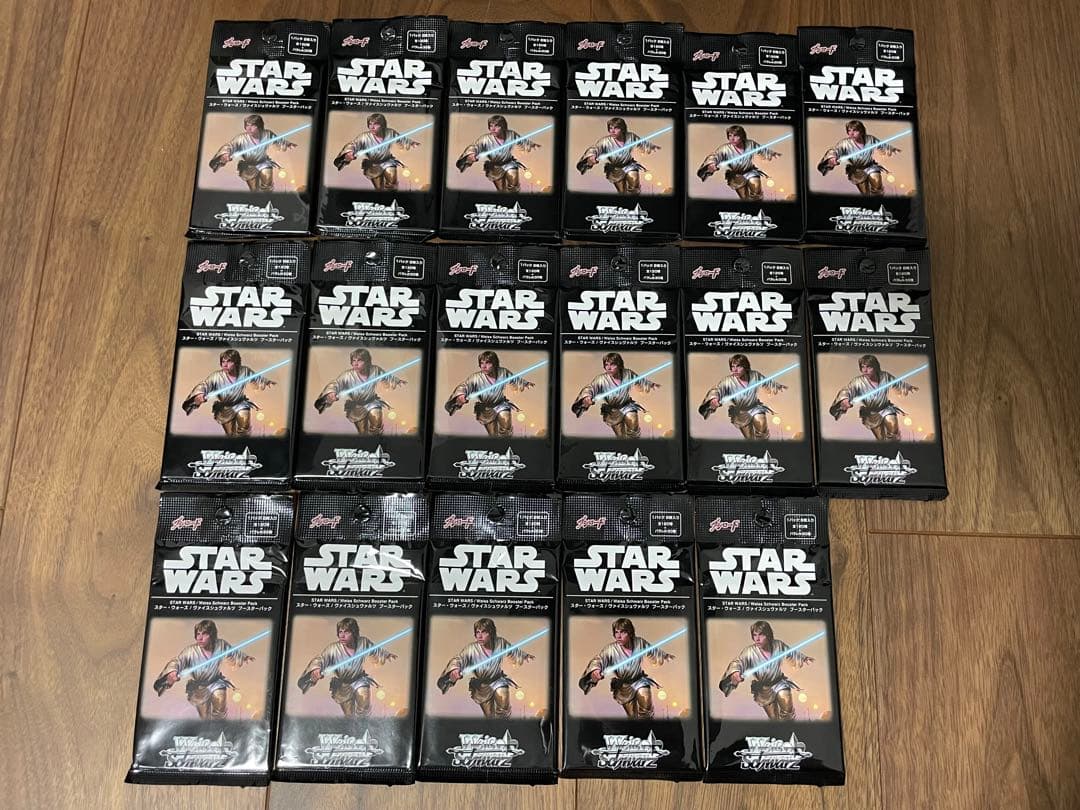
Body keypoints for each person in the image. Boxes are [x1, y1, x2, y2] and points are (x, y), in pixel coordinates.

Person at [296, 618, 397, 717]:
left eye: (347, 632)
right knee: (349, 715)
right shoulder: (333, 649)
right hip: (342, 685)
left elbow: (375, 649)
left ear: (354, 633)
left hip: (359, 679)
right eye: (340, 632)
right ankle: (353, 725)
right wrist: (316, 668)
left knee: (364, 703)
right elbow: (321, 659)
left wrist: (386, 655)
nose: (342, 635)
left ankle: (362, 722)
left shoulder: (363, 642)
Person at [152, 620, 253, 719]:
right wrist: (173, 671)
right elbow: (178, 661)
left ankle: (219, 726)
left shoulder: (221, 645)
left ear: (211, 635)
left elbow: (233, 653)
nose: (199, 638)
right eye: (198, 634)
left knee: (220, 706)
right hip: (199, 688)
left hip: (215, 682)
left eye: (204, 634)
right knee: (205, 717)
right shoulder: (190, 651)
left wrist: (244, 658)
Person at [436, 618, 535, 719]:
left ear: (491, 633)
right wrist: (455, 669)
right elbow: (459, 659)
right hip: (482, 686)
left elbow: (513, 651)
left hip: (497, 680)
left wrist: (525, 656)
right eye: (477, 632)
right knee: (489, 716)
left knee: (503, 701)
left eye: (483, 632)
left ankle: (504, 724)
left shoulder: (500, 642)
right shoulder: (471, 649)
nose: (479, 636)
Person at [578, 618, 674, 719]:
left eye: (623, 632)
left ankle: (647, 726)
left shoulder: (639, 642)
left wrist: (666, 656)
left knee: (646, 707)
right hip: (624, 687)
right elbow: (599, 659)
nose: (618, 636)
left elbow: (653, 651)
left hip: (639, 680)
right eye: (616, 632)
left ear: (630, 633)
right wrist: (595, 670)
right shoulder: (611, 649)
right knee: (632, 717)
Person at [719, 620, 813, 721]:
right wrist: (735, 672)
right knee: (774, 719)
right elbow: (738, 662)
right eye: (755, 635)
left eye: (761, 635)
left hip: (779, 682)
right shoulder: (749, 651)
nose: (757, 639)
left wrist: (804, 658)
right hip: (763, 689)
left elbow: (791, 652)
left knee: (787, 709)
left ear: (768, 635)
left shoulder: (778, 645)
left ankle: (788, 727)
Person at [182, 349, 277, 436]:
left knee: (244, 428)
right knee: (231, 435)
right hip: (225, 408)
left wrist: (267, 382)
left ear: (236, 362)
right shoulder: (216, 376)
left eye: (229, 361)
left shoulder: (244, 371)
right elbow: (205, 384)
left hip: (240, 403)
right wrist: (200, 393)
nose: (225, 365)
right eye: (223, 362)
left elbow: (256, 377)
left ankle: (244, 443)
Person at [314, 348, 408, 436]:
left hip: (371, 402)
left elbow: (386, 376)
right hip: (356, 406)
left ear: (367, 361)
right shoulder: (347, 375)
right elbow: (336, 383)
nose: (355, 364)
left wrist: (397, 381)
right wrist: (331, 392)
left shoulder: (375, 370)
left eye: (359, 360)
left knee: (377, 418)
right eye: (353, 361)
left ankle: (376, 439)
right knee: (363, 432)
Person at [444, 351, 535, 437]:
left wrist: (525, 383)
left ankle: (506, 442)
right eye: (481, 363)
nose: (484, 366)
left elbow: (514, 378)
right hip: (485, 409)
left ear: (494, 364)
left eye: (487, 363)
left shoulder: (503, 372)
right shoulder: (476, 378)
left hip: (500, 404)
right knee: (493, 435)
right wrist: (461, 394)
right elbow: (465, 385)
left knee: (506, 424)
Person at [828, 354, 917, 441]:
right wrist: (845, 399)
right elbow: (848, 389)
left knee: (893, 428)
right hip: (871, 414)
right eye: (863, 367)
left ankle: (894, 445)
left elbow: (897, 383)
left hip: (885, 408)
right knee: (881, 439)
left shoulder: (885, 376)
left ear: (875, 367)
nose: (865, 370)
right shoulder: (858, 382)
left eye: (869, 367)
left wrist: (908, 387)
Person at [572, 352, 661, 438]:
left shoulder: (628, 373)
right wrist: (587, 397)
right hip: (613, 411)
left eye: (612, 364)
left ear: (619, 365)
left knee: (632, 421)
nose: (609, 368)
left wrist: (651, 385)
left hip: (627, 405)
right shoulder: (601, 379)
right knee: (621, 436)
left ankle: (634, 443)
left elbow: (639, 380)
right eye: (606, 365)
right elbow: (591, 387)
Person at [699, 354, 786, 440]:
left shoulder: (755, 375)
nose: (735, 370)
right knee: (750, 439)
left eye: (738, 366)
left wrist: (779, 387)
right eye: (733, 367)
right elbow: (717, 389)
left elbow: (767, 382)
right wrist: (714, 398)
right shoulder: (728, 381)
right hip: (740, 413)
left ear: (745, 367)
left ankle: (763, 445)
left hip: (755, 407)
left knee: (761, 423)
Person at [208, 114, 297, 192]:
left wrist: (288, 144)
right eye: (247, 125)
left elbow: (278, 141)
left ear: (259, 126)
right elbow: (231, 145)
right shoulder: (241, 138)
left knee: (267, 181)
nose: (249, 128)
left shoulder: (267, 134)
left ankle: (268, 197)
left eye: (253, 125)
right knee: (254, 190)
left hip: (263, 162)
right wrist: (225, 154)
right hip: (248, 166)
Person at [455, 115, 542, 192]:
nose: (493, 129)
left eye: (496, 126)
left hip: (509, 163)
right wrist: (471, 154)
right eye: (491, 126)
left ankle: (514, 198)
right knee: (501, 190)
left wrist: (532, 145)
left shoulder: (511, 134)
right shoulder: (485, 139)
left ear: (503, 126)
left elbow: (522, 141)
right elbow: (475, 146)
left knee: (514, 183)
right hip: (495, 167)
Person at [333, 113, 420, 190]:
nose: (372, 127)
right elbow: (354, 144)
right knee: (379, 188)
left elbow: (401, 139)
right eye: (370, 124)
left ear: (382, 125)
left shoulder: (390, 132)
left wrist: (411, 143)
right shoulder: (364, 137)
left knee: (392, 181)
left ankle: (392, 197)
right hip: (373, 165)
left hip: (387, 161)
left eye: (375, 124)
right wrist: (349, 152)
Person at [575, 117, 661, 195]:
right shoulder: (605, 141)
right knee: (622, 192)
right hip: (615, 169)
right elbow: (595, 148)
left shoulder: (630, 136)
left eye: (616, 128)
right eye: (610, 128)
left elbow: (642, 143)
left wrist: (652, 147)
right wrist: (591, 156)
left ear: (622, 129)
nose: (612, 131)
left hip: (629, 164)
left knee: (634, 184)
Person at [817, 119, 901, 196]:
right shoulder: (845, 143)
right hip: (856, 171)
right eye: (849, 131)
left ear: (861, 131)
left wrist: (892, 149)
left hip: (870, 166)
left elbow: (881, 144)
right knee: (865, 193)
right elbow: (835, 150)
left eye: (854, 130)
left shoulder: (870, 139)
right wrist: (832, 157)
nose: (851, 133)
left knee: (877, 184)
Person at [696, 125, 781, 200]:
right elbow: (715, 155)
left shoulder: (750, 143)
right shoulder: (725, 148)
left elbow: (761, 149)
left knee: (756, 191)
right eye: (730, 136)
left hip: (750, 171)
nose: (732, 138)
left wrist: (771, 153)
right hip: (735, 175)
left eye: (735, 136)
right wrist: (711, 163)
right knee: (744, 198)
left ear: (742, 136)